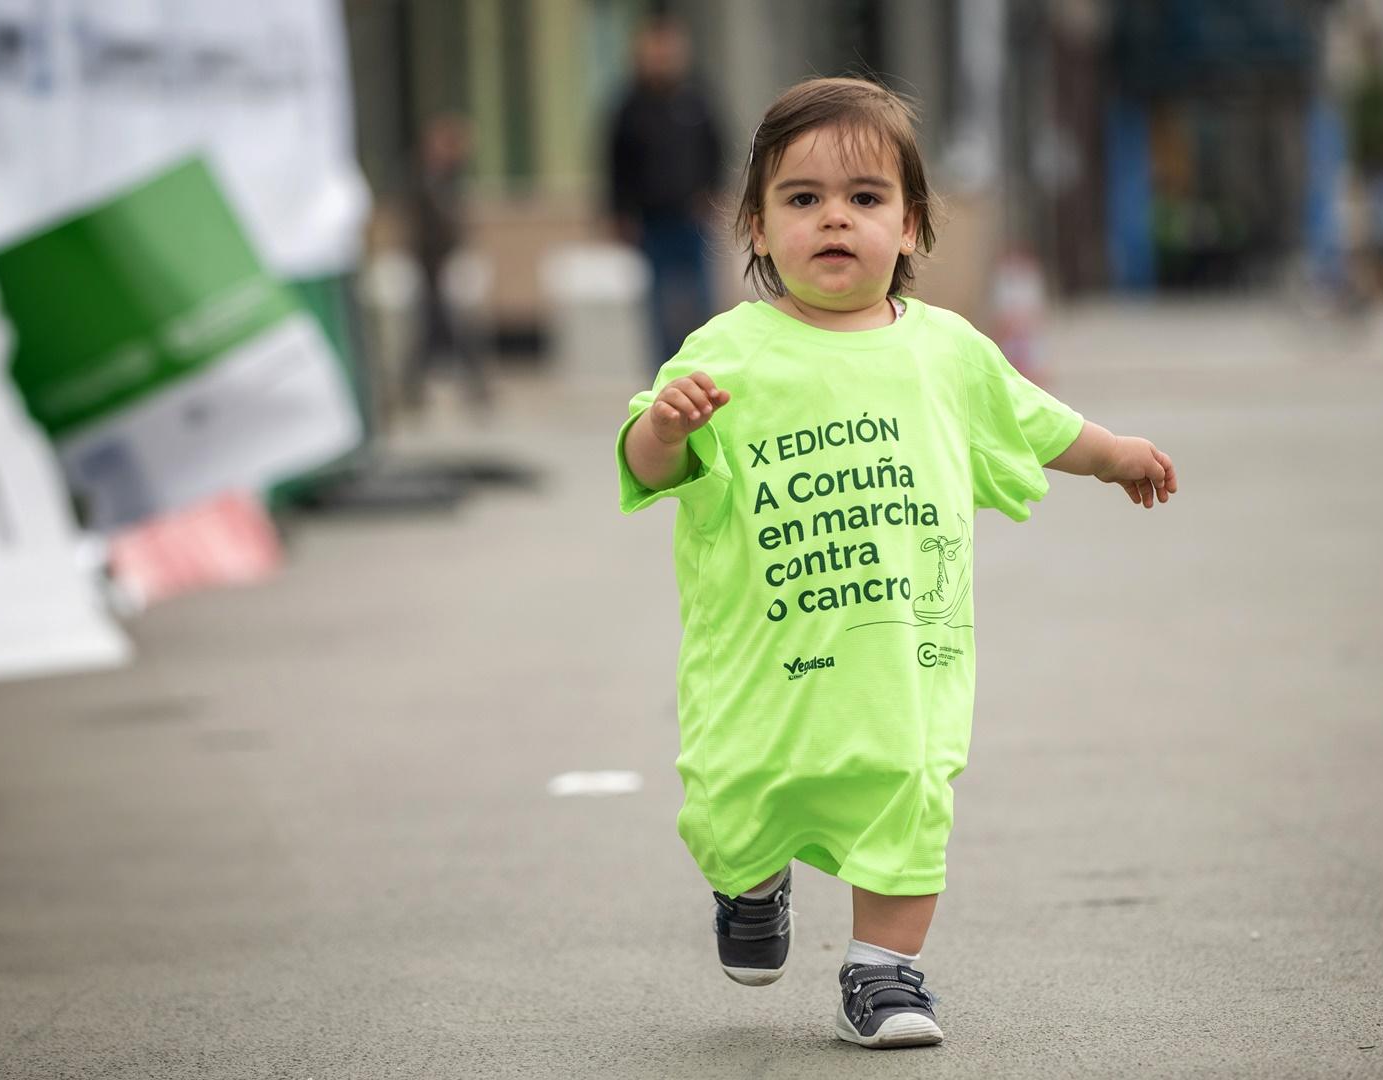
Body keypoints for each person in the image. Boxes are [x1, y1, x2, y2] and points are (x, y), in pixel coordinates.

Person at [614, 78, 1179, 1049]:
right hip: (762, 672)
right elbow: (644, 462)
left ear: (913, 225)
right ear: (755, 224)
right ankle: (750, 882)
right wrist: (664, 430)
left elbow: (1033, 421)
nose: (835, 218)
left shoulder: (948, 353)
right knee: (742, 794)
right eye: (803, 199)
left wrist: (1114, 453)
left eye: (866, 199)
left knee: (910, 794)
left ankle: (883, 974)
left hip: (902, 669)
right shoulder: (727, 354)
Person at [606, 16, 723, 374]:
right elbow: (615, 164)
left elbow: (716, 149)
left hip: (693, 217)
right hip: (651, 219)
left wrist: (712, 195)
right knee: (657, 301)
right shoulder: (629, 106)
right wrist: (620, 213)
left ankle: (707, 362)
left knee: (701, 295)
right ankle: (664, 370)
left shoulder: (696, 98)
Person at [404, 114, 490, 413]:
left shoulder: (448, 177)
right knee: (440, 326)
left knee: (443, 326)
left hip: (443, 261)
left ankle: (416, 389)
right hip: (433, 262)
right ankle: (415, 389)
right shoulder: (428, 178)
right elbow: (437, 223)